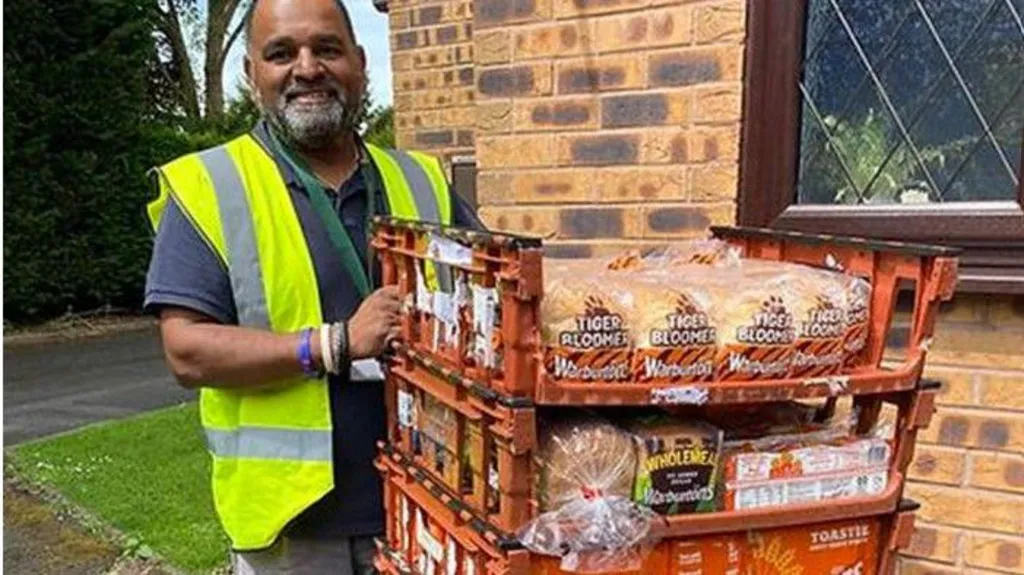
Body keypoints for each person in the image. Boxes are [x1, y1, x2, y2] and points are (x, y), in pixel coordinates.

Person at [142, 0, 483, 573]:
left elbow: (494, 297)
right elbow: (187, 352)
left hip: (429, 503)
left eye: (327, 48)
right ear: (253, 76)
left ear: (360, 61)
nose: (307, 68)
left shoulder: (421, 180)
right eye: (281, 53)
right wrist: (335, 344)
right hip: (294, 532)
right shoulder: (209, 184)